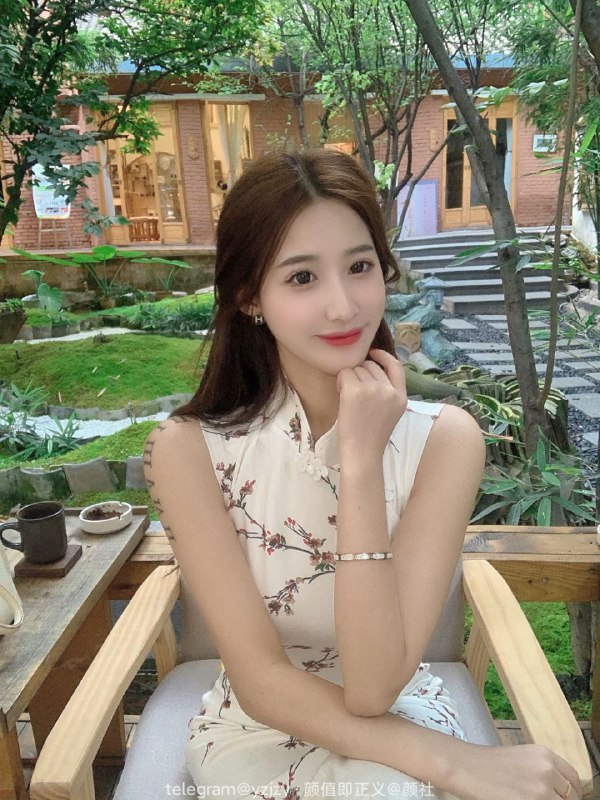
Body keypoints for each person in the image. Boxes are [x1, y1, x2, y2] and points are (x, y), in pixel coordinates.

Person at [143, 149, 582, 800]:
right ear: (249, 296)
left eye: (359, 266)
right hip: (258, 731)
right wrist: (457, 763)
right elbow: (261, 680)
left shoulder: (444, 441)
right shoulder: (187, 452)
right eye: (302, 277)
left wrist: (362, 460)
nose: (343, 306)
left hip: (400, 714)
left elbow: (375, 688)